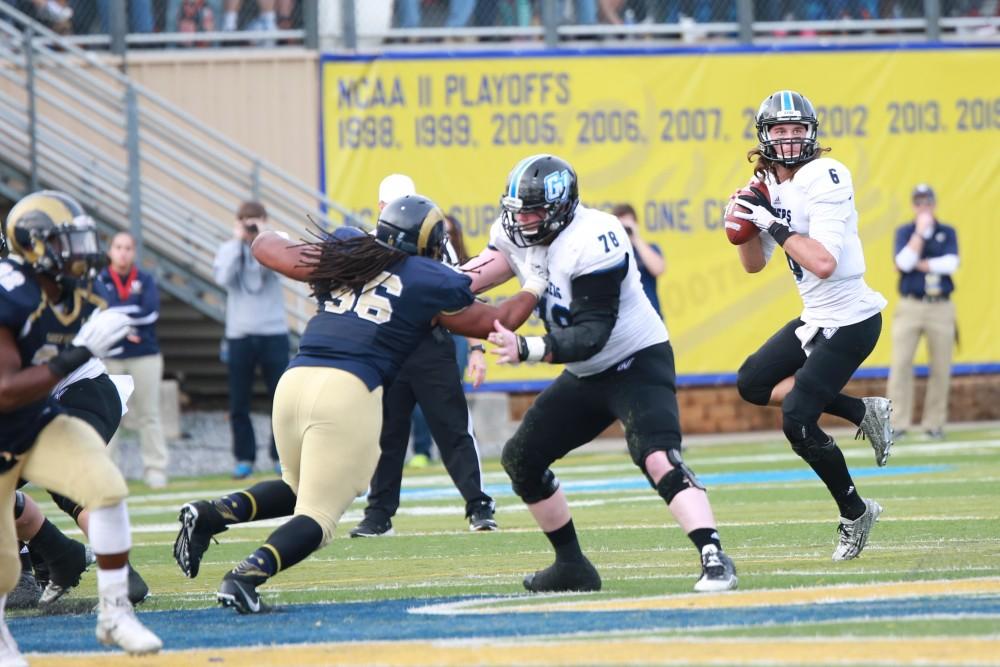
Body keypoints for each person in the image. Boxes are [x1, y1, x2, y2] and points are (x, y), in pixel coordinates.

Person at [172, 195, 546, 614]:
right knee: (319, 517)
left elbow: (266, 249)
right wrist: (535, 282)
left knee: (297, 490)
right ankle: (244, 577)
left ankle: (210, 514)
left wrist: (273, 233)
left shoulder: (348, 257)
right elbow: (499, 319)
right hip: (347, 391)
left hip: (294, 382)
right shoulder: (424, 277)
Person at [469, 153, 736, 594]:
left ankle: (713, 555)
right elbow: (473, 278)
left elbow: (593, 332)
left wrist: (528, 347)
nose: (524, 221)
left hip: (634, 359)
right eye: (519, 211)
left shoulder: (596, 236)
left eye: (534, 211)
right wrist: (420, 287)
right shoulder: (519, 233)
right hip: (586, 372)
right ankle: (572, 566)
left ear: (560, 207)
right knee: (521, 458)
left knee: (655, 455)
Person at [726, 90, 895, 562]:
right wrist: (742, 226)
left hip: (852, 319)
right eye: (779, 131)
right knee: (752, 383)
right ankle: (864, 413)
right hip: (816, 318)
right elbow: (754, 264)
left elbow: (823, 262)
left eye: (797, 130)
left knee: (798, 418)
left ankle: (855, 512)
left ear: (812, 134)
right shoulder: (766, 183)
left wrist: (774, 225)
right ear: (764, 136)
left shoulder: (826, 175)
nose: (789, 138)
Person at [0, 191, 161, 663]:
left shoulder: (78, 291)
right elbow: (6, 389)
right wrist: (77, 353)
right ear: (34, 246)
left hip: (38, 416)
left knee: (103, 485)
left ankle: (115, 611)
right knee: (4, 567)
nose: (79, 251)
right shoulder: (11, 294)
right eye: (65, 241)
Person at [350, 185, 496, 538]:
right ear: (381, 207)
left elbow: (459, 299)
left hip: (431, 345)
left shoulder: (434, 242)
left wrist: (476, 349)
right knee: (386, 432)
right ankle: (379, 512)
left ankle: (478, 503)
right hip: (389, 345)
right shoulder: (369, 245)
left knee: (453, 427)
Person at [212, 200, 289, 479]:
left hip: (273, 333)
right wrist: (238, 242)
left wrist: (264, 238)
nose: (251, 226)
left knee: (281, 399)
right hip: (240, 335)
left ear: (265, 220)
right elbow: (222, 278)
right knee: (239, 402)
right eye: (247, 221)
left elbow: (282, 267)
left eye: (256, 220)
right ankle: (244, 457)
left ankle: (281, 456)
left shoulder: (276, 244)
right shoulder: (228, 249)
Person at [95, 232, 170, 489]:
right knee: (108, 415)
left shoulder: (145, 279)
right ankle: (107, 473)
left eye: (128, 247)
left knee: (149, 414)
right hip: (110, 357)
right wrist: (127, 322)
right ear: (110, 251)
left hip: (145, 355)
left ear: (134, 252)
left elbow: (150, 313)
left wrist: (116, 320)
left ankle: (155, 469)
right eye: (118, 247)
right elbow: (98, 312)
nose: (123, 252)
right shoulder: (99, 279)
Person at [886, 185, 958, 440]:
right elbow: (902, 262)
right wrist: (919, 233)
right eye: (919, 202)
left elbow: (951, 263)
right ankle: (898, 422)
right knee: (901, 364)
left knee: (940, 366)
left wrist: (919, 264)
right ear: (913, 205)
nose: (923, 206)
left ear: (934, 203)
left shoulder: (946, 231)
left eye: (927, 201)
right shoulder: (906, 231)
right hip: (910, 305)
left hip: (940, 305)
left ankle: (934, 423)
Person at [612, 204, 665, 318]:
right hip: (622, 318)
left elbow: (658, 269)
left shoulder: (649, 249)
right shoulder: (611, 253)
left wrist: (635, 237)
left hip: (650, 317)